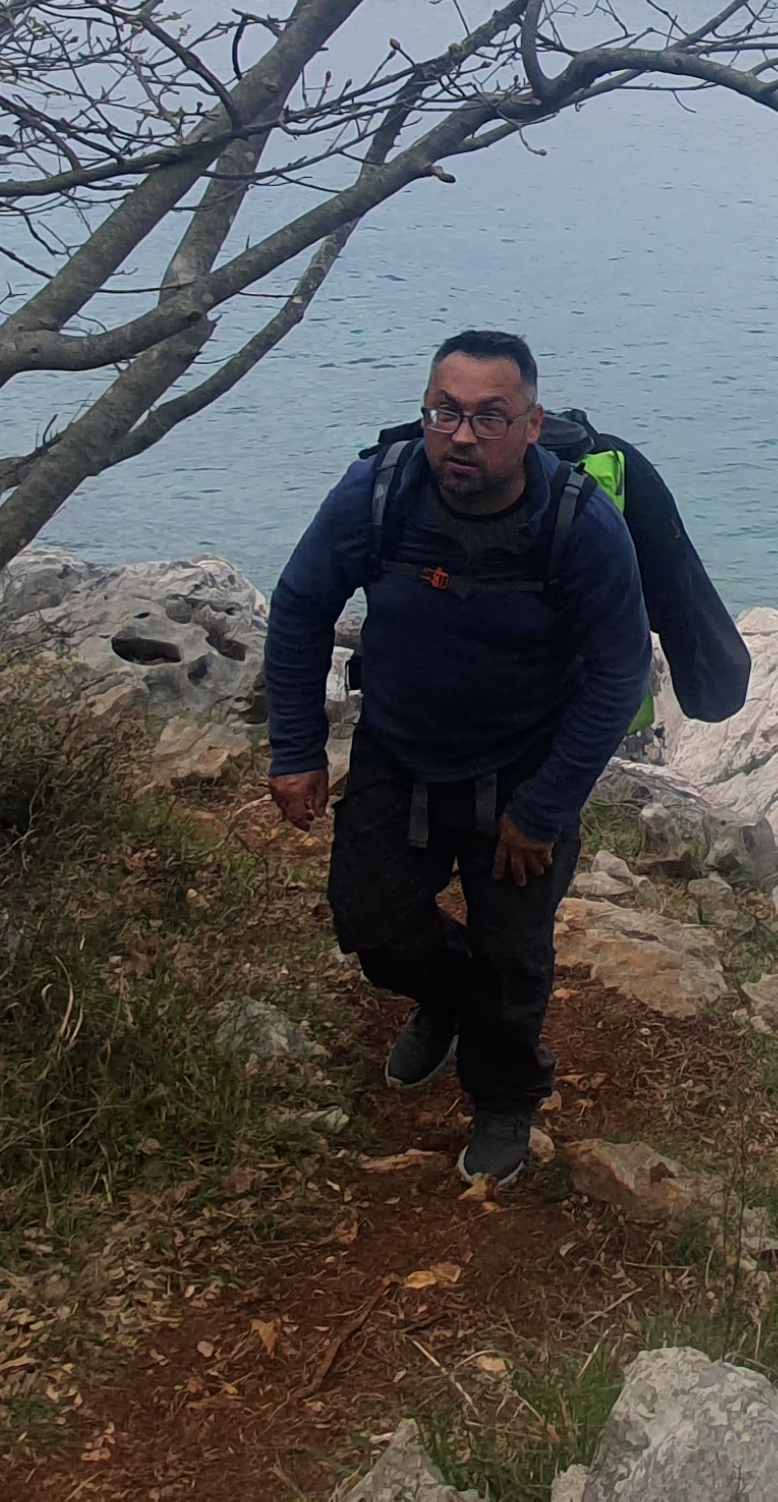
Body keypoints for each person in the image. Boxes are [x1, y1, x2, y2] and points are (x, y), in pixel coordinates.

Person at [262, 329, 651, 1187]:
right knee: (371, 927)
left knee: (514, 956)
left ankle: (506, 1098)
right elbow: (299, 610)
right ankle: (444, 996)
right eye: (446, 412)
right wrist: (294, 748)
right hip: (398, 751)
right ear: (425, 414)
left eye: (488, 416)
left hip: (523, 765)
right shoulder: (378, 493)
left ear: (529, 424)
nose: (463, 435)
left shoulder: (578, 523)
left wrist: (543, 810)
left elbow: (620, 673)